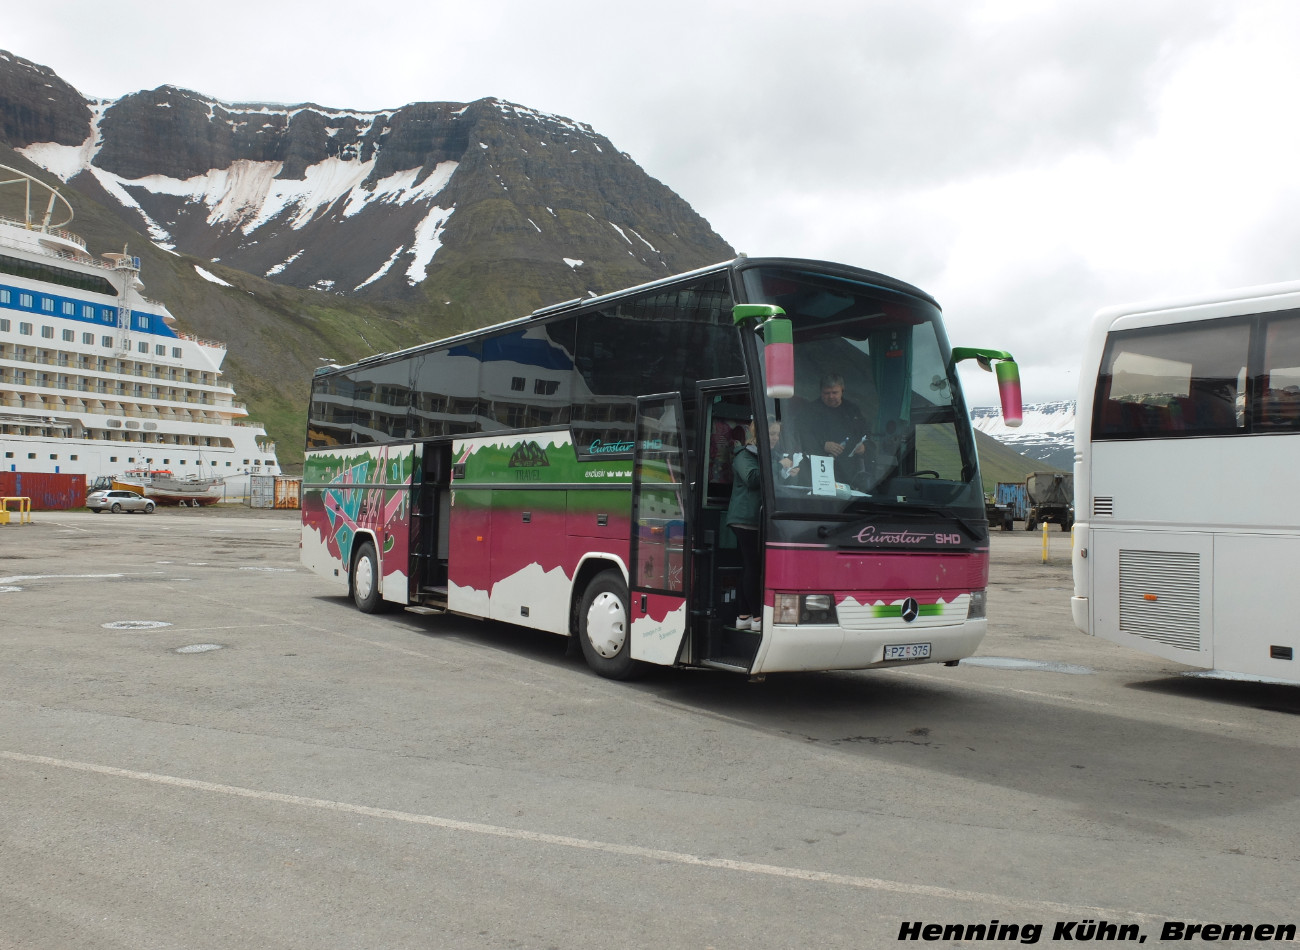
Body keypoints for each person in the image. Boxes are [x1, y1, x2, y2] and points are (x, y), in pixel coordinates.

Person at [725, 420, 763, 632]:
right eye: (772, 434)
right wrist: (776, 466)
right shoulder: (744, 455)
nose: (775, 439)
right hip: (745, 519)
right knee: (752, 567)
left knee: (749, 567)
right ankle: (757, 616)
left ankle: (744, 615)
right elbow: (752, 478)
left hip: (756, 519)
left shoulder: (761, 456)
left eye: (778, 435)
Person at [796, 374, 870, 481]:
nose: (831, 396)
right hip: (819, 468)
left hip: (848, 469)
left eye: (834, 393)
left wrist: (864, 447)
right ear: (821, 392)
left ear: (842, 390)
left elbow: (866, 434)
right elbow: (800, 436)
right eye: (827, 393)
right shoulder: (809, 411)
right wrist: (823, 445)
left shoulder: (852, 410)